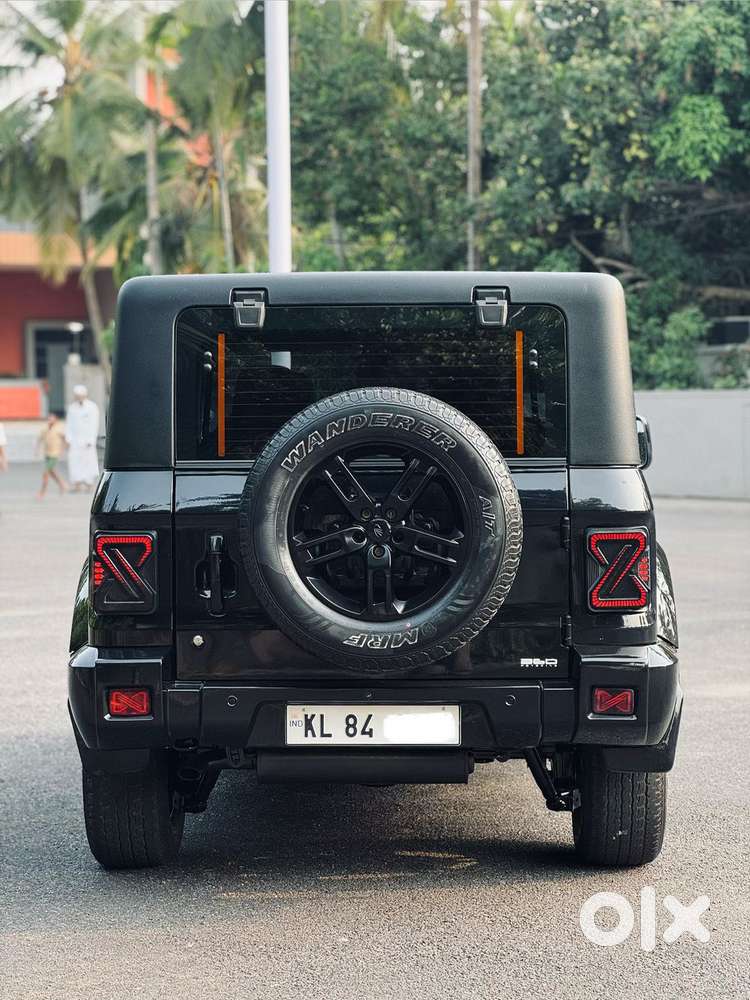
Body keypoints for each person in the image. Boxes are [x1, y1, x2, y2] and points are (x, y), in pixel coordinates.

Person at [65, 384, 99, 492]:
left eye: (81, 395)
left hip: (87, 440)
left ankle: (89, 485)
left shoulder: (92, 407)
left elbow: (94, 424)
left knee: (89, 462)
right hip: (75, 440)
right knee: (74, 461)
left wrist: (91, 439)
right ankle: (77, 485)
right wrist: (68, 439)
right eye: (77, 395)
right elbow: (69, 424)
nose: (79, 397)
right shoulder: (72, 408)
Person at [36, 413, 68, 498]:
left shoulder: (58, 428)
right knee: (52, 472)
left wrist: (62, 449)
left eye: (51, 419)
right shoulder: (45, 428)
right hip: (47, 453)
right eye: (49, 419)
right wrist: (37, 449)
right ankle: (62, 485)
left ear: (55, 419)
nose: (50, 420)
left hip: (54, 454)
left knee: (46, 472)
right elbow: (40, 439)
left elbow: (64, 439)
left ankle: (42, 492)